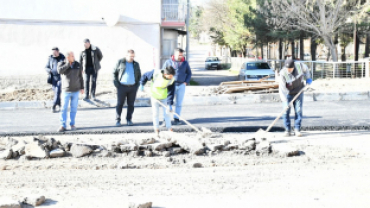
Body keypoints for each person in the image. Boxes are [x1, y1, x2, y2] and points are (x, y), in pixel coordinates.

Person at [279, 59, 312, 137]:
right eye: (287, 69)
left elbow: (306, 70)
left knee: (298, 110)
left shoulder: (299, 66)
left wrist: (308, 78)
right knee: (285, 111)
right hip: (288, 94)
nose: (289, 70)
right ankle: (287, 130)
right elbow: (282, 89)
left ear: (293, 67)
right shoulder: (283, 73)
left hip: (299, 91)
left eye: (290, 69)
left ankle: (297, 129)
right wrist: (285, 101)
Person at [139, 66, 176, 137]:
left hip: (164, 97)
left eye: (172, 76)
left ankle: (169, 128)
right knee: (155, 114)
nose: (171, 77)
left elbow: (171, 92)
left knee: (167, 113)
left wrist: (169, 104)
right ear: (165, 74)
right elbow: (145, 76)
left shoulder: (172, 80)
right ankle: (156, 129)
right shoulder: (155, 74)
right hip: (154, 97)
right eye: (170, 76)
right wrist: (141, 84)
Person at [162, 48, 192, 125]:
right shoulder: (168, 62)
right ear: (175, 54)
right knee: (168, 103)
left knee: (179, 103)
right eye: (179, 55)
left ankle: (176, 118)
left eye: (182, 55)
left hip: (181, 85)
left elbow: (189, 73)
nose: (180, 56)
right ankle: (165, 120)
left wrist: (186, 82)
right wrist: (165, 82)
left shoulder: (185, 63)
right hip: (171, 85)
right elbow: (163, 72)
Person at [113, 49, 142, 126]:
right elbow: (114, 73)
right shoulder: (120, 62)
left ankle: (129, 119)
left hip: (132, 87)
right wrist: (116, 84)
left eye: (133, 56)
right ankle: (118, 120)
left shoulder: (136, 64)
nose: (132, 58)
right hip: (122, 87)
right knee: (120, 104)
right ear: (126, 55)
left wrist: (137, 85)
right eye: (130, 56)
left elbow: (139, 75)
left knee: (131, 104)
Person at [57, 51, 84, 132]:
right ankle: (63, 125)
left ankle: (72, 124)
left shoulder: (77, 64)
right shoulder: (61, 64)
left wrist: (82, 87)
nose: (74, 57)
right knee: (64, 108)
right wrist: (68, 64)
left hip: (75, 90)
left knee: (74, 108)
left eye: (73, 55)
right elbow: (59, 71)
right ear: (67, 57)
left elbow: (80, 76)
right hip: (66, 91)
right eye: (72, 56)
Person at [45, 47, 65, 113]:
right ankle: (59, 105)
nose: (53, 54)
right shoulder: (50, 58)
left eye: (54, 52)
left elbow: (66, 65)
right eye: (52, 52)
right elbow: (46, 67)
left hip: (60, 77)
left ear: (58, 52)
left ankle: (53, 105)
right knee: (56, 92)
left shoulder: (62, 57)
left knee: (58, 91)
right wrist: (49, 71)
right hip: (53, 78)